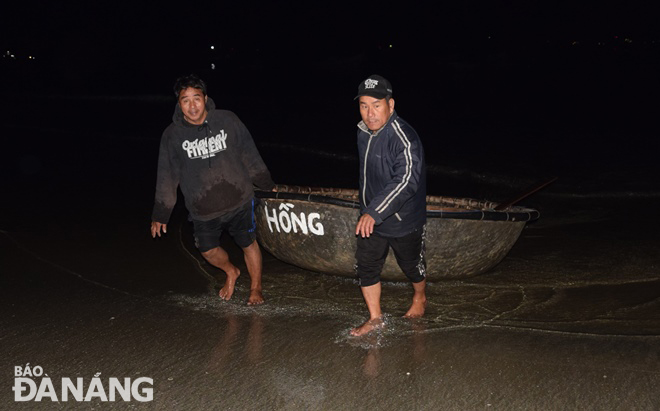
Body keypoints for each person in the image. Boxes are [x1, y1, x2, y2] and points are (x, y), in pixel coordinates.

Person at [150, 74, 275, 305]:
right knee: (207, 250)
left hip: (238, 199)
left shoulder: (228, 120)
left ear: (205, 98)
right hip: (203, 208)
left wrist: (269, 187)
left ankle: (256, 288)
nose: (192, 106)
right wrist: (161, 213)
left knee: (248, 243)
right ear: (179, 104)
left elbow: (250, 155)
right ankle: (231, 271)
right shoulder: (172, 136)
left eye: (196, 98)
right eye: (185, 100)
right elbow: (167, 176)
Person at [351, 74, 428, 336]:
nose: (369, 113)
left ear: (391, 104)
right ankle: (375, 318)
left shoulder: (405, 138)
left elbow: (406, 180)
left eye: (376, 105)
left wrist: (374, 211)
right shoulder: (363, 132)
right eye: (363, 105)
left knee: (412, 267)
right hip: (371, 214)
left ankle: (420, 296)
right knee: (366, 266)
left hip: (403, 218)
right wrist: (367, 209)